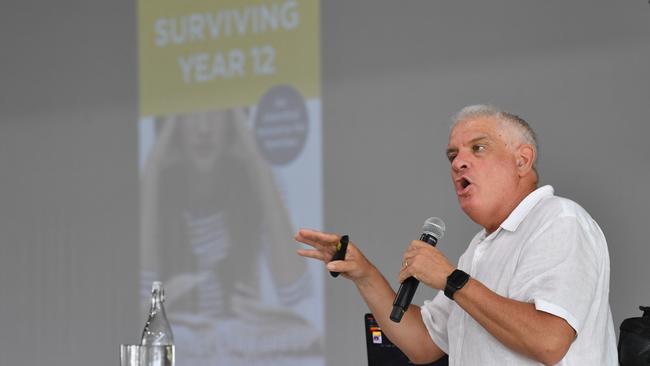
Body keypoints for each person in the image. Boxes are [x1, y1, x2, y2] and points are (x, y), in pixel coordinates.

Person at [295, 104, 617, 365]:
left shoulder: (559, 220)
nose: (459, 162)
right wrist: (363, 273)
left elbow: (549, 341)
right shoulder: (480, 249)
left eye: (478, 148)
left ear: (522, 160)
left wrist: (452, 280)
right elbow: (422, 344)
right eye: (453, 155)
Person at [140, 108, 321, 364]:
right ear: (172, 125)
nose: (204, 128)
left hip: (245, 345)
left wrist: (256, 161)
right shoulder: (157, 187)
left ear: (234, 121)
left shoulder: (256, 181)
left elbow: (295, 291)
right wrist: (153, 169)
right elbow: (140, 307)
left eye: (217, 113)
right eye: (190, 114)